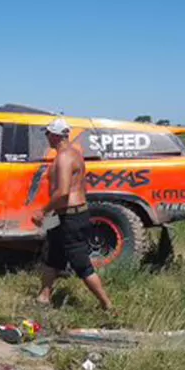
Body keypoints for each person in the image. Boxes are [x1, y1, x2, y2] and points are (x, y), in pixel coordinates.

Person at [31, 118, 114, 312]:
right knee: (52, 255)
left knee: (81, 264)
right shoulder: (72, 153)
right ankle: (44, 297)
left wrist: (42, 211)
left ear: (55, 135)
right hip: (61, 216)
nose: (46, 138)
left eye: (48, 134)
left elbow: (63, 192)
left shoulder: (64, 157)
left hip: (70, 217)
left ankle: (107, 305)